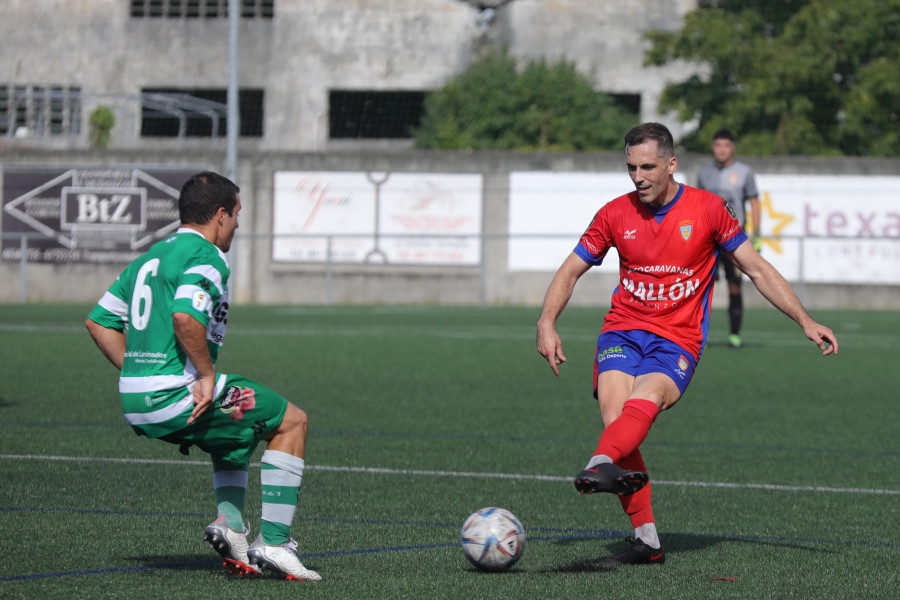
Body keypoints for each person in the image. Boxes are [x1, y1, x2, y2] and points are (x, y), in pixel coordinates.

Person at [535, 123, 838, 566]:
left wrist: (805, 320)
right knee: (615, 415)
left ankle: (602, 463)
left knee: (648, 398)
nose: (638, 177)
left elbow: (756, 269)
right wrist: (547, 320)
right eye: (631, 167)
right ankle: (647, 541)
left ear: (671, 164)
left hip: (678, 338)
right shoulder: (614, 214)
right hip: (622, 329)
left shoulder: (709, 210)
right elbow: (569, 271)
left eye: (648, 167)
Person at [85, 171, 321, 581]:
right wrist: (207, 376)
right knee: (291, 421)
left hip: (136, 400)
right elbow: (184, 316)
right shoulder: (207, 256)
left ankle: (230, 525)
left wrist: (138, 371)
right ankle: (276, 544)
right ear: (219, 215)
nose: (238, 224)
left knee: (234, 431)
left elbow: (99, 321)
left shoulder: (152, 255)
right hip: (173, 396)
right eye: (236, 214)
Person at [696, 128, 761, 348]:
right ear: (713, 147)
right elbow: (697, 204)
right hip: (707, 238)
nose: (722, 150)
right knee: (701, 286)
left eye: (726, 145)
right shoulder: (704, 172)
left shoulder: (744, 172)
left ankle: (735, 333)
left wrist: (757, 234)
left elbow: (754, 201)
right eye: (718, 145)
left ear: (732, 148)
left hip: (733, 237)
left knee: (735, 286)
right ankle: (696, 335)